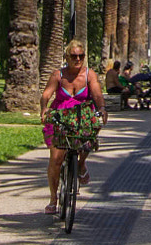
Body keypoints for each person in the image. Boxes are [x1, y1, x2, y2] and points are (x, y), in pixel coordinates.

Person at [40, 40, 104, 215]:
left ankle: (81, 164)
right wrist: (44, 109)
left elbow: (97, 94)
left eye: (81, 56)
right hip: (61, 116)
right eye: (73, 56)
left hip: (82, 115)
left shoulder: (90, 75)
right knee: (56, 159)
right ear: (66, 57)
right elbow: (46, 94)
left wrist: (102, 109)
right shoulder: (58, 75)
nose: (77, 59)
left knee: (90, 134)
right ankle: (53, 199)